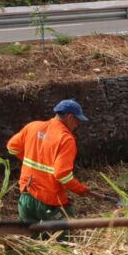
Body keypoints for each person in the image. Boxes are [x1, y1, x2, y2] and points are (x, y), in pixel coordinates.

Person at [6, 99, 107, 231]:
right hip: (49, 202)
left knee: (34, 244)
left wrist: (32, 160)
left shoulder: (33, 127)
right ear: (70, 117)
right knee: (66, 241)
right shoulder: (65, 139)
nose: (77, 125)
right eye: (77, 121)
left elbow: (12, 147)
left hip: (25, 197)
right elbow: (62, 175)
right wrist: (81, 190)